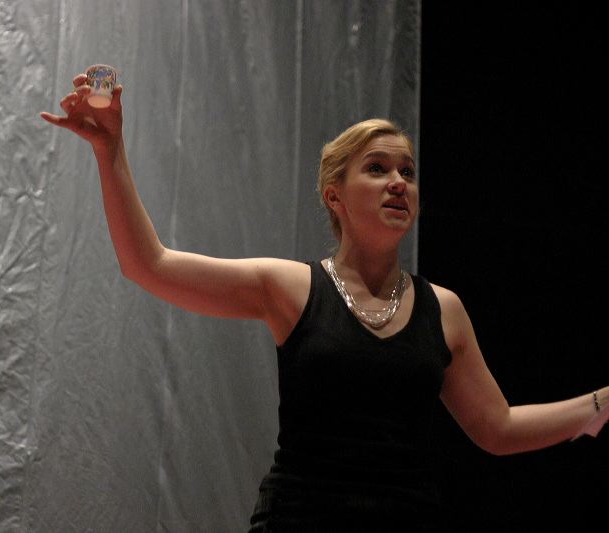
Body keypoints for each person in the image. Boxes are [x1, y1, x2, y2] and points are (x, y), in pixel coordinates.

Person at [41, 71, 609, 532]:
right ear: (334, 196)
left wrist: (598, 405)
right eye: (378, 169)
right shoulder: (291, 287)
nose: (399, 183)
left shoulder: (445, 309)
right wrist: (110, 152)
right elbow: (149, 265)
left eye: (408, 173)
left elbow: (497, 427)